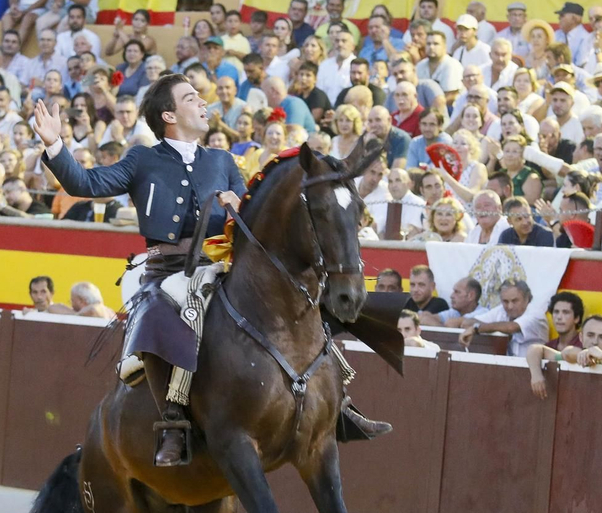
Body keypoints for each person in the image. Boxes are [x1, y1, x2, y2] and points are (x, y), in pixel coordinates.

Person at [36, 73, 388, 466]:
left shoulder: (221, 160)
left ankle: (339, 403)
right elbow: (85, 182)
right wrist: (55, 143)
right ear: (169, 114)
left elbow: (248, 215)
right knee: (166, 308)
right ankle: (171, 421)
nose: (203, 103)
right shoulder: (142, 159)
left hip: (220, 262)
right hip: (165, 266)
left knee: (300, 300)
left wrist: (237, 203)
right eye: (191, 98)